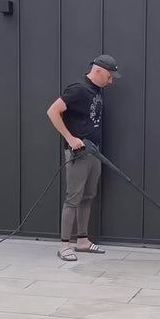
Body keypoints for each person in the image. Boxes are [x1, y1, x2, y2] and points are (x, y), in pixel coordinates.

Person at [46, 54, 121, 261]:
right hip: (78, 154)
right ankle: (64, 246)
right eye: (109, 76)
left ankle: (82, 241)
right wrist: (70, 138)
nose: (111, 81)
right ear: (98, 71)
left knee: (88, 196)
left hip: (94, 151)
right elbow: (52, 111)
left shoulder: (96, 90)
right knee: (73, 198)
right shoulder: (78, 89)